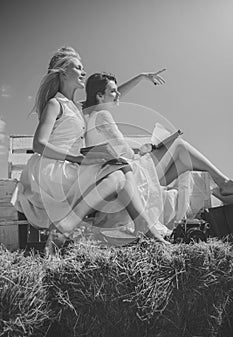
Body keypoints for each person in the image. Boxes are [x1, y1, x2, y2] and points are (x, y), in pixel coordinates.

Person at [12, 46, 169, 248]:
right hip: (53, 169)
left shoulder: (76, 107)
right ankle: (145, 228)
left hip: (73, 165)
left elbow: (110, 96)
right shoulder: (55, 104)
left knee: (120, 172)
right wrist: (76, 158)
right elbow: (38, 144)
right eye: (78, 67)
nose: (83, 72)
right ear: (63, 72)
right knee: (120, 167)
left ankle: (71, 227)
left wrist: (140, 77)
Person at [84, 72, 233, 205]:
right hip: (129, 173)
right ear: (99, 96)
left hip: (117, 172)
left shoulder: (92, 116)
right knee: (179, 144)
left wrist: (145, 149)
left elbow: (114, 148)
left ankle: (219, 191)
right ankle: (224, 183)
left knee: (184, 163)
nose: (118, 94)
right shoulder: (102, 115)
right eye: (113, 91)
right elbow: (125, 153)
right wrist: (143, 152)